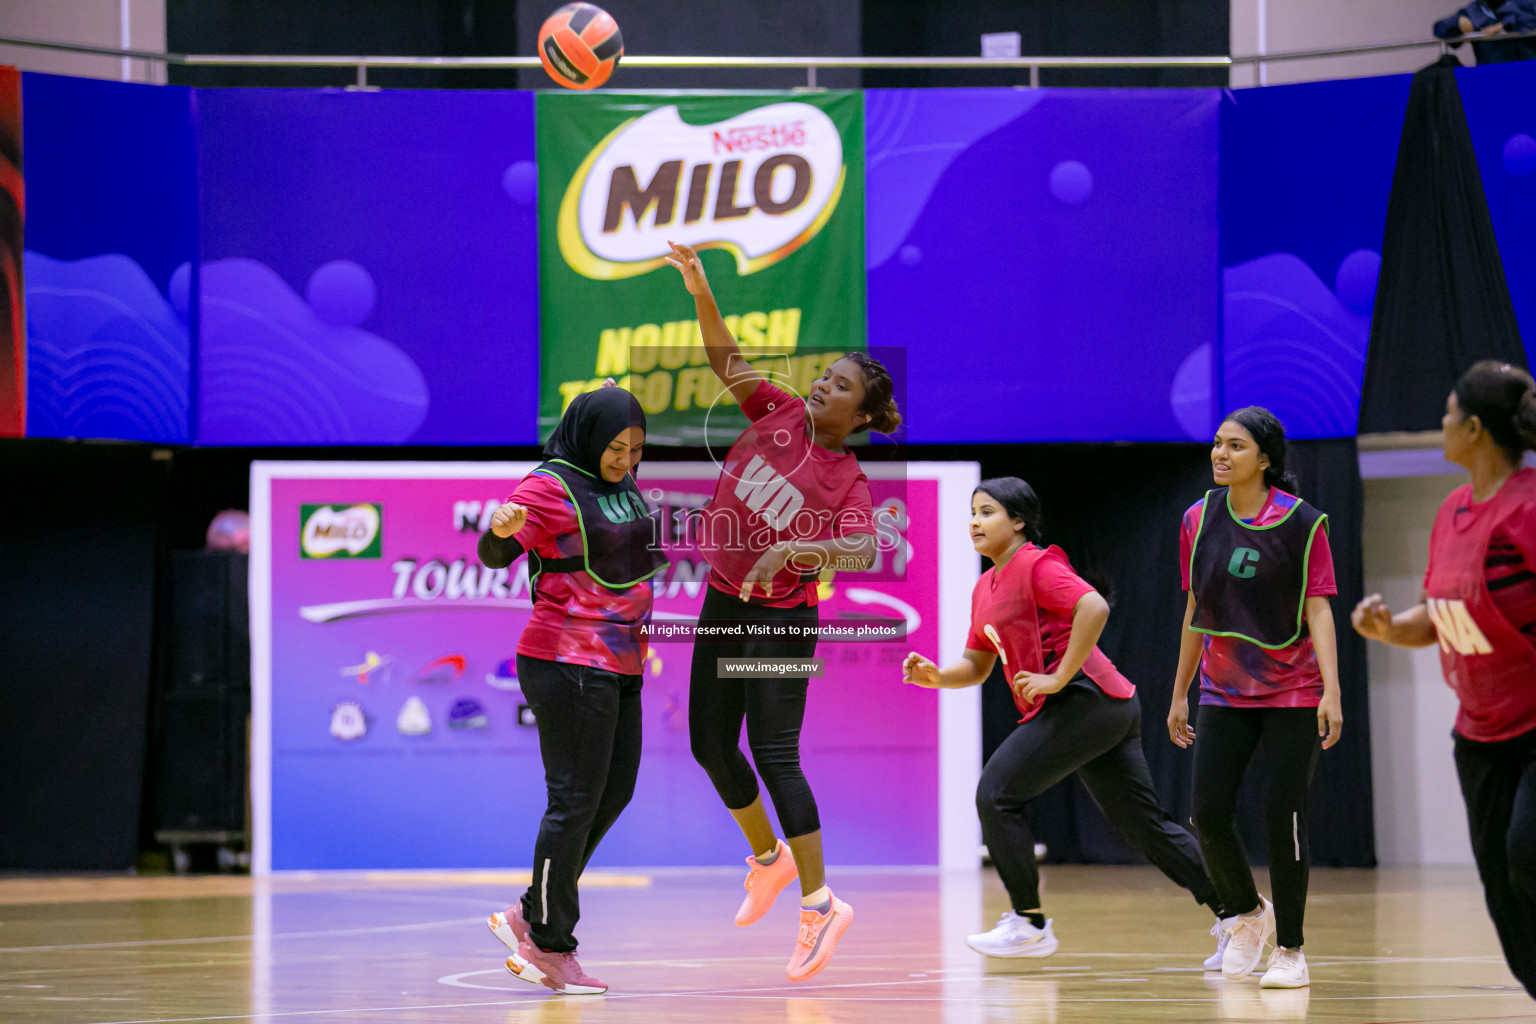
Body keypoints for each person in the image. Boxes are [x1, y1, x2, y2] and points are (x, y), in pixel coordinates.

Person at [664, 240, 900, 982]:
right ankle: (767, 860)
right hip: (724, 602)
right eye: (824, 377)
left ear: (858, 414)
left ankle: (820, 901)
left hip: (779, 620)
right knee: (709, 745)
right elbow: (728, 361)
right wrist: (702, 290)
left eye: (838, 387)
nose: (822, 388)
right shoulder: (779, 413)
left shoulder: (848, 480)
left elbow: (863, 551)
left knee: (774, 754)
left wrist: (798, 554)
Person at [902, 478, 1229, 962]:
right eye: (972, 512)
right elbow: (977, 665)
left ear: (1018, 521)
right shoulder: (984, 588)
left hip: (1086, 700)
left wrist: (1058, 677)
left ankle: (1029, 923)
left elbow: (1092, 606)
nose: (974, 521)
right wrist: (938, 677)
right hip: (1105, 707)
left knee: (996, 795)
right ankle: (1239, 910)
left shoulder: (1036, 563)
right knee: (1147, 830)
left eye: (987, 512)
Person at [1352, 360, 1536, 999]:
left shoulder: (1530, 507)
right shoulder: (1453, 509)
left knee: (1527, 855)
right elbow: (1439, 613)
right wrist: (1388, 628)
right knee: (1502, 883)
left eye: (1450, 412)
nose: (1442, 421)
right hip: (1479, 734)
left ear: (1477, 428)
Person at [477, 384, 669, 996]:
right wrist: (501, 532)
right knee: (574, 800)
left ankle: (530, 911)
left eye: (637, 448)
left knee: (614, 791)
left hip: (622, 662)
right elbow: (493, 551)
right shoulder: (549, 486)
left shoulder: (623, 483)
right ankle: (550, 944)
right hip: (567, 658)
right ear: (588, 437)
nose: (627, 460)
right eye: (617, 447)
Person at [1167, 407, 1343, 989]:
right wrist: (1179, 694)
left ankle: (1290, 949)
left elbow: (1319, 608)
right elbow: (1196, 611)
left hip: (1293, 689)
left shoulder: (1304, 523)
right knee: (1207, 812)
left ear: (1264, 459)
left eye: (1235, 446)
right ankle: (1247, 912)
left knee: (1282, 816)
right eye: (1217, 444)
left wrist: (1332, 690)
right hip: (1222, 688)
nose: (1220, 454)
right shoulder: (1197, 518)